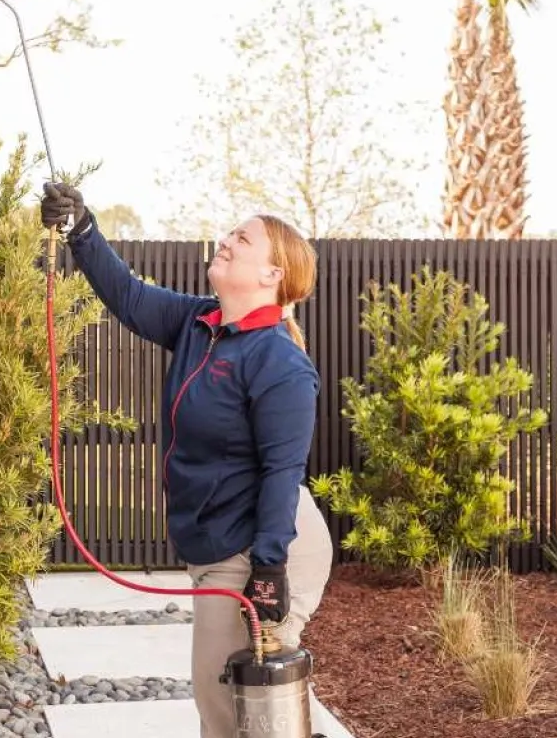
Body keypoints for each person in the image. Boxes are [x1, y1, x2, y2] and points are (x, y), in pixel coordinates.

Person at [40, 182, 333, 738]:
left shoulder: (280, 363)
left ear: (273, 276)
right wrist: (82, 229)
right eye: (230, 233)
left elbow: (282, 472)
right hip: (223, 542)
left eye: (242, 240)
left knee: (229, 703)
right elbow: (127, 295)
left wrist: (268, 571)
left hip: (265, 546)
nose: (225, 240)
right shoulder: (201, 324)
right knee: (258, 703)